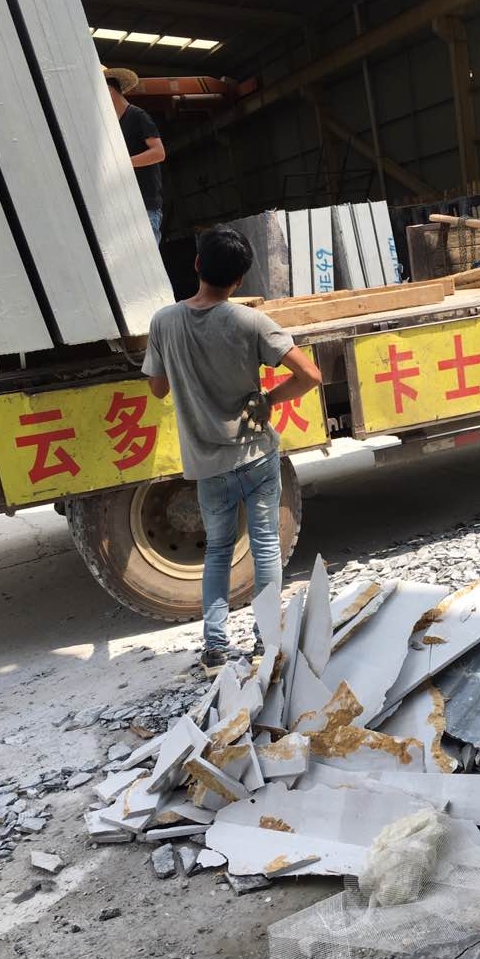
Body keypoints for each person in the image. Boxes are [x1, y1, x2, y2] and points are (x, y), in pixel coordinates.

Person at [142, 225, 322, 677]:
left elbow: (158, 389)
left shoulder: (164, 321)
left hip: (208, 464)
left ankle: (216, 649)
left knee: (218, 552)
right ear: (240, 280)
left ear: (197, 265)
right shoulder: (251, 322)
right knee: (265, 547)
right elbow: (310, 376)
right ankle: (266, 640)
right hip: (257, 455)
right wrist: (270, 399)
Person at [104, 67, 166, 244]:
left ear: (109, 91)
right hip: (129, 206)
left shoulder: (137, 116)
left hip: (145, 207)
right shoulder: (116, 125)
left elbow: (159, 153)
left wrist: (124, 162)